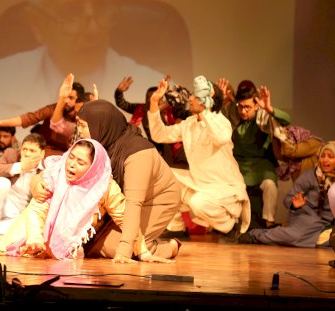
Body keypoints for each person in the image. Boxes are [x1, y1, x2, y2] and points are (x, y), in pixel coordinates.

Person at [0, 0, 185, 142]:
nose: (92, 30)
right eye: (71, 17)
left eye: (101, 14)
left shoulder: (144, 77)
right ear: (36, 25)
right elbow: (33, 119)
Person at [0, 139, 180, 261]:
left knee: (115, 250)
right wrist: (35, 237)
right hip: (31, 235)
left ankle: (171, 247)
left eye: (81, 162)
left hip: (66, 251)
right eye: (71, 157)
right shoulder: (55, 173)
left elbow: (125, 217)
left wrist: (142, 251)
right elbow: (36, 209)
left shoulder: (103, 185)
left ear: (93, 167)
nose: (71, 164)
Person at [147, 76, 251, 243]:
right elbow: (159, 134)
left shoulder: (220, 122)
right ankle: (177, 228)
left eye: (196, 96)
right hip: (199, 183)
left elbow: (220, 138)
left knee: (198, 202)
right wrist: (154, 103)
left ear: (206, 101)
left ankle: (232, 226)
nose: (190, 98)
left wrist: (205, 112)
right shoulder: (189, 123)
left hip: (224, 188)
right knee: (164, 176)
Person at [75, 100, 182, 263]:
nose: (79, 131)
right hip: (123, 204)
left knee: (114, 246)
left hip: (157, 201)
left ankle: (169, 247)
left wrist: (124, 251)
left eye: (83, 125)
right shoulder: (105, 145)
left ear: (100, 125)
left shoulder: (137, 153)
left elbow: (134, 203)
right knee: (91, 243)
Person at [239, 141, 335, 247]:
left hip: (326, 223)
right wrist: (294, 205)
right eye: (323, 156)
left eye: (330, 157)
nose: (325, 160)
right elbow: (288, 199)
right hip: (305, 217)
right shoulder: (310, 175)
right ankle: (254, 235)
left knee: (320, 239)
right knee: (294, 237)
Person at [231, 80, 291, 229]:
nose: (244, 111)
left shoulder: (261, 117)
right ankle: (232, 225)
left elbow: (286, 119)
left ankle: (269, 222)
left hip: (261, 164)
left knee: (270, 185)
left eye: (247, 107)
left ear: (256, 105)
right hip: (239, 166)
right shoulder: (234, 116)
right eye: (241, 107)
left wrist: (269, 108)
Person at [0, 79, 85, 157]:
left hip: (66, 156)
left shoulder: (82, 117)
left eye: (71, 98)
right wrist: (0, 123)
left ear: (79, 101)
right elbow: (28, 118)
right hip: (43, 151)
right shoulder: (53, 109)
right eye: (64, 96)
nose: (66, 100)